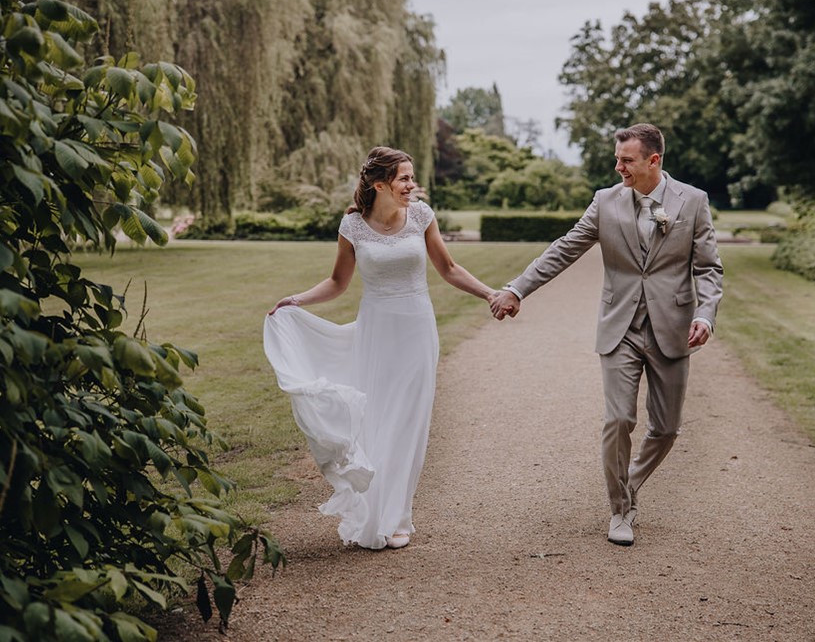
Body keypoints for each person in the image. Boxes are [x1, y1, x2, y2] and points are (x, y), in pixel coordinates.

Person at [490, 123, 723, 547]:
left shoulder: (693, 201)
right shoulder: (605, 202)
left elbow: (708, 267)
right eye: (617, 159)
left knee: (667, 429)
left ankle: (628, 484)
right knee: (619, 419)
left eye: (627, 160)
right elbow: (565, 248)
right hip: (621, 329)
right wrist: (516, 287)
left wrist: (705, 315)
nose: (618, 167)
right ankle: (620, 509)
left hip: (671, 330)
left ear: (654, 160)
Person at [264, 146, 498, 550]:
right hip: (376, 331)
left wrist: (491, 294)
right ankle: (373, 510)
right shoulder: (352, 225)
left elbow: (449, 269)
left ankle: (400, 516)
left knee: (409, 421)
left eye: (411, 177)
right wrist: (296, 300)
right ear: (379, 184)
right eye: (404, 178)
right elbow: (337, 282)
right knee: (376, 421)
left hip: (417, 331)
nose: (412, 185)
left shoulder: (421, 216)